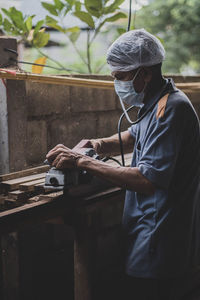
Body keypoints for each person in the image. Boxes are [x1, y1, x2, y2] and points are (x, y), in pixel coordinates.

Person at [46, 29, 200, 299]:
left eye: (121, 77)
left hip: (160, 234)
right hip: (148, 228)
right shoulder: (158, 101)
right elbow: (133, 135)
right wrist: (96, 145)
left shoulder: (171, 109)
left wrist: (82, 161)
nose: (117, 83)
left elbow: (146, 180)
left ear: (145, 74)